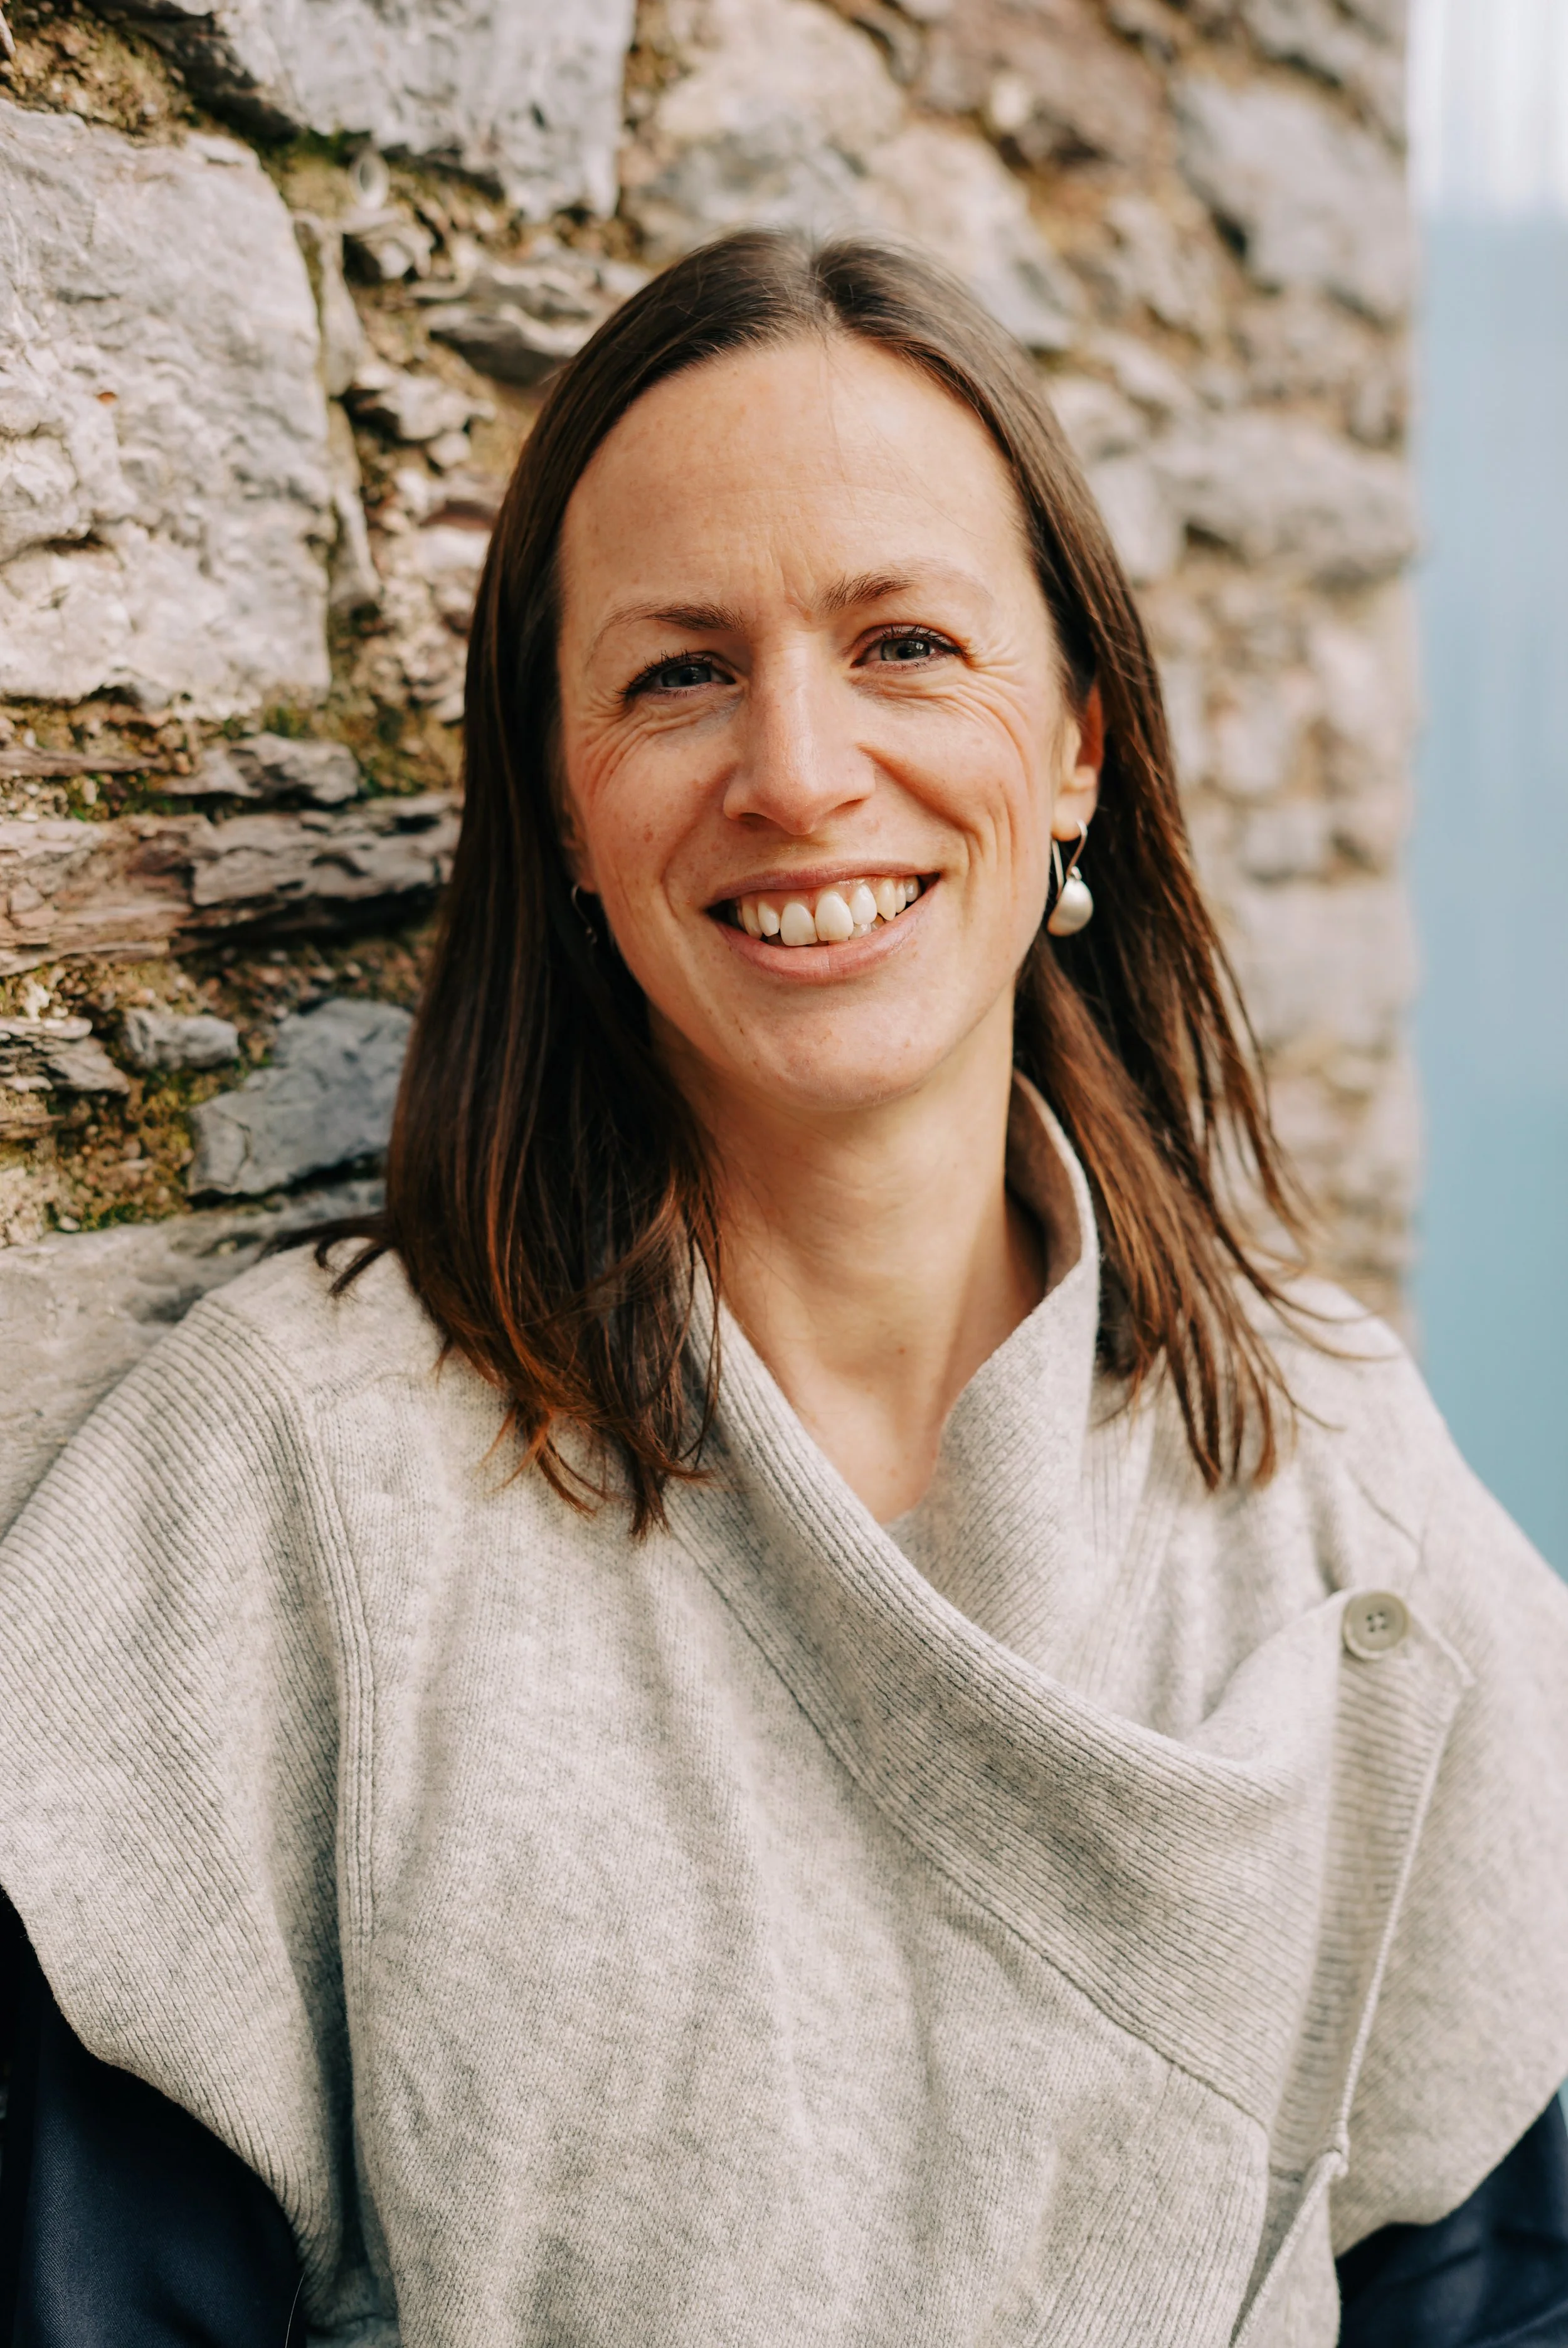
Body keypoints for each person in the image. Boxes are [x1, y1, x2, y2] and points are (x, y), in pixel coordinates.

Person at [0, 230, 1565, 2348]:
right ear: (561, 803)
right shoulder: (282, 1490)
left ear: (1078, 744)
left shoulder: (1334, 1465)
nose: (800, 772)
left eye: (904, 642)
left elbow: (1490, 2292)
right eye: (677, 674)